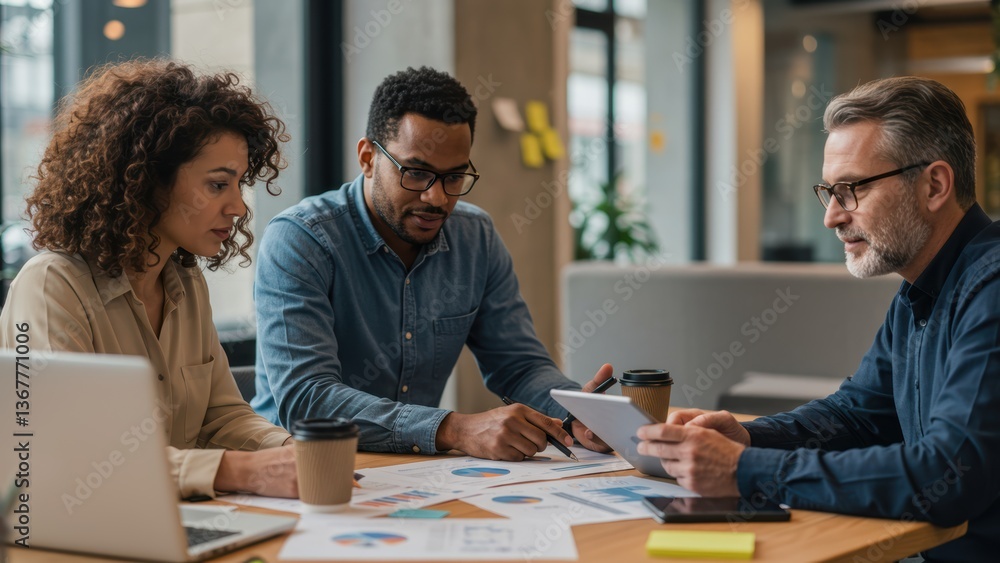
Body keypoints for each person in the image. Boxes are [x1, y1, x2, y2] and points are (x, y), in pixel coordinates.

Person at [636, 76, 999, 561]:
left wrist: (745, 470)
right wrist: (748, 437)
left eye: (851, 190)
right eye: (828, 191)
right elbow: (857, 417)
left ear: (934, 184)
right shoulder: (920, 290)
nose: (831, 216)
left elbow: (948, 475)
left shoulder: (990, 287)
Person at [252, 66, 612, 461]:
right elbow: (307, 398)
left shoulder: (476, 238)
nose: (436, 198)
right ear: (368, 158)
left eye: (454, 177)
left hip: (416, 474)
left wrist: (577, 412)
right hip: (298, 472)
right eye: (417, 173)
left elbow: (520, 366)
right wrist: (453, 428)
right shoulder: (301, 240)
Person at [0, 60, 299, 500]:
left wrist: (294, 450)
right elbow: (71, 452)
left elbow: (223, 417)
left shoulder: (186, 283)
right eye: (219, 185)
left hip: (174, 522)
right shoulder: (52, 287)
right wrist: (240, 470)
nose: (238, 207)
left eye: (239, 185)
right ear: (148, 181)